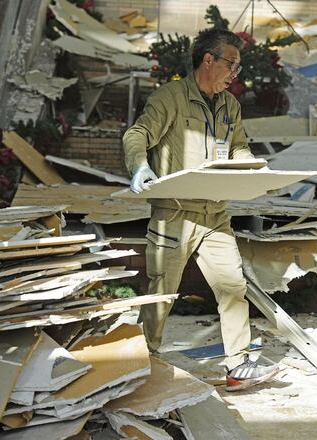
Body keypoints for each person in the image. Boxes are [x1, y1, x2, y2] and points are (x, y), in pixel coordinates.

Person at [122, 28, 278, 391]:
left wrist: (254, 169)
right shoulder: (171, 98)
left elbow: (238, 147)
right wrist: (138, 165)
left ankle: (238, 366)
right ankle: (144, 365)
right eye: (231, 65)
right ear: (208, 60)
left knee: (233, 288)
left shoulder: (230, 106)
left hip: (215, 214)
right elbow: (137, 134)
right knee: (162, 292)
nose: (235, 74)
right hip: (174, 213)